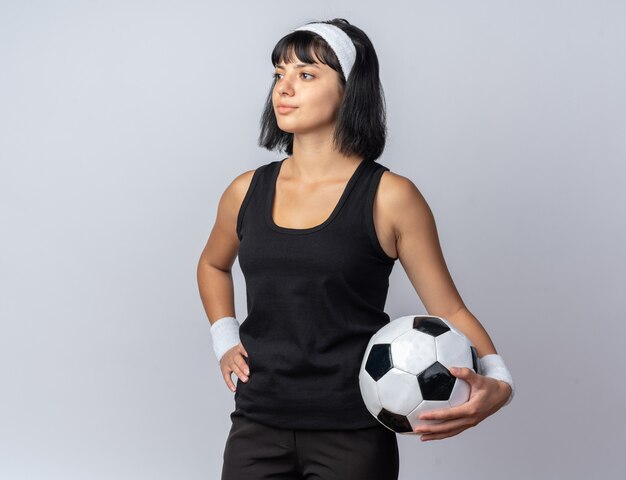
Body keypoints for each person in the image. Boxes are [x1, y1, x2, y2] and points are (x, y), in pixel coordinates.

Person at [197, 18, 515, 480]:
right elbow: (211, 264)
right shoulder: (245, 191)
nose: (284, 88)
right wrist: (224, 339)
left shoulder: (391, 197)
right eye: (278, 74)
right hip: (257, 420)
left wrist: (501, 382)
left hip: (353, 432)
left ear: (350, 90)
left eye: (306, 75)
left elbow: (449, 308)